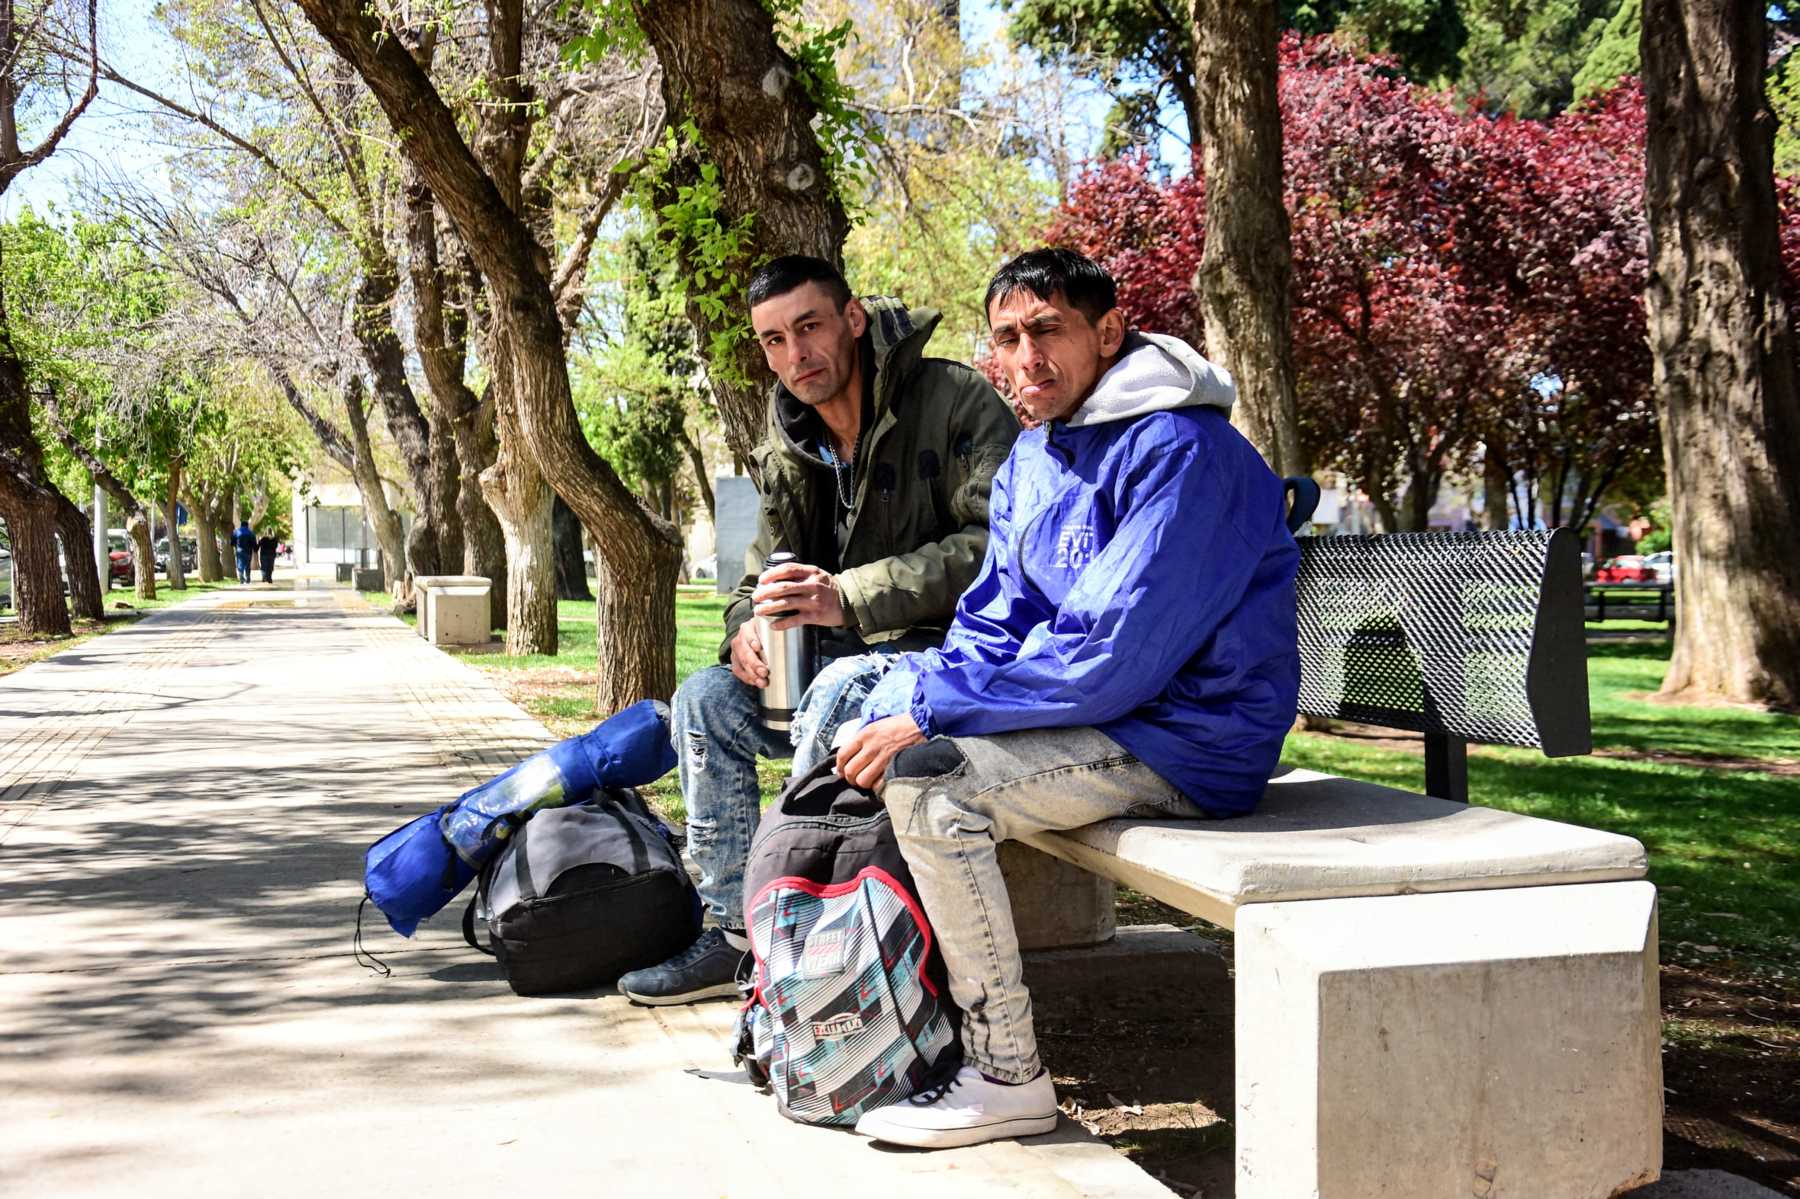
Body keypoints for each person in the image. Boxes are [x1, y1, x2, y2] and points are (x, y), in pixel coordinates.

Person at [838, 248, 1301, 1150]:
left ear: (1108, 334)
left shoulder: (1184, 450)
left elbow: (1114, 658)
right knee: (880, 735)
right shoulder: (1037, 456)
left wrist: (935, 713)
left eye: (1049, 330)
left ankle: (1007, 1072)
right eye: (1008, 337)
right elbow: (993, 620)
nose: (1027, 357)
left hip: (1192, 737)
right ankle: (876, 1017)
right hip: (1104, 717)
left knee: (937, 790)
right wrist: (921, 686)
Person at [616, 255, 1019, 1006]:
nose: (794, 355)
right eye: (772, 340)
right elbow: (754, 579)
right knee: (706, 700)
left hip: (946, 664)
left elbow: (995, 546)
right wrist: (745, 630)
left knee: (833, 691)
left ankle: (812, 946)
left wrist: (850, 595)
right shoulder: (789, 443)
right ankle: (736, 936)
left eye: (808, 327)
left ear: (853, 320)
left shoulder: (955, 398)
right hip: (834, 660)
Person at [231, 520, 256, 585]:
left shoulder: (236, 532)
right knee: (247, 564)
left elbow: (232, 542)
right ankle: (248, 578)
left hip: (239, 550)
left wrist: (234, 545)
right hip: (248, 551)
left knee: (240, 564)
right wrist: (255, 549)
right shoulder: (250, 533)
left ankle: (241, 577)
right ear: (247, 525)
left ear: (241, 525)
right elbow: (254, 542)